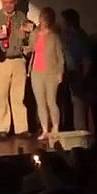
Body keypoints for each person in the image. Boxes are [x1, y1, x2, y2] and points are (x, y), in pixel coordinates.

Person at [0, 0, 32, 137]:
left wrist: (25, 38)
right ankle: (3, 129)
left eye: (11, 2)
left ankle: (21, 128)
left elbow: (28, 41)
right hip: (1, 60)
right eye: (5, 2)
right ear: (1, 1)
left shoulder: (22, 18)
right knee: (1, 96)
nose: (8, 5)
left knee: (18, 96)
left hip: (18, 60)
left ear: (16, 2)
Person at [27, 8, 66, 142]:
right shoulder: (35, 34)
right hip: (36, 72)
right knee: (40, 102)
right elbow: (30, 48)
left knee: (51, 101)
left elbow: (60, 56)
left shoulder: (54, 36)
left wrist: (60, 72)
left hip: (51, 72)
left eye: (46, 18)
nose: (43, 20)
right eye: (42, 17)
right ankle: (45, 129)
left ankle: (55, 127)